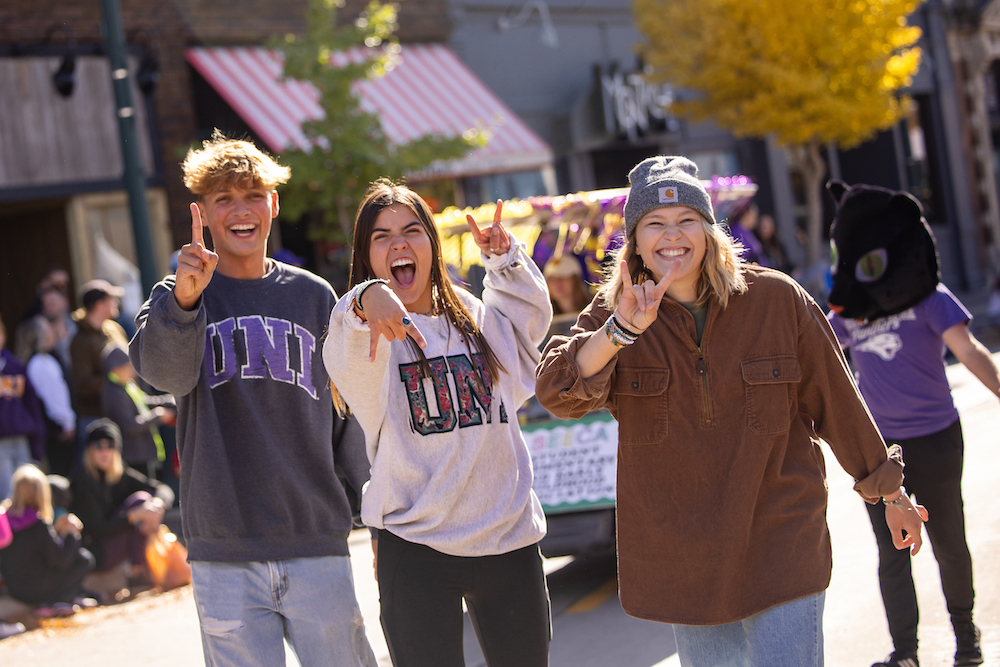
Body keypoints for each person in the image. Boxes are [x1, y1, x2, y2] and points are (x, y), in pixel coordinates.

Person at [535, 156, 928, 667]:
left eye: (686, 222)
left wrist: (890, 492)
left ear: (709, 231)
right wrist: (622, 332)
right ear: (634, 239)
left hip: (780, 540)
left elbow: (839, 401)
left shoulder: (777, 300)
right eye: (654, 223)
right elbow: (557, 392)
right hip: (685, 559)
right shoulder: (614, 313)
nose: (671, 235)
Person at [129, 132, 376, 667]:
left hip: (315, 537)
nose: (241, 211)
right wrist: (187, 300)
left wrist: (380, 517)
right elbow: (160, 375)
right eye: (224, 198)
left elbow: (345, 418)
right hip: (225, 547)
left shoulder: (314, 296)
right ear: (203, 212)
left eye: (253, 195)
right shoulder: (176, 297)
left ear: (274, 203)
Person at [322, 180, 552, 667]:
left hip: (507, 537)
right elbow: (342, 340)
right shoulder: (370, 341)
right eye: (381, 237)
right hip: (416, 547)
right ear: (366, 255)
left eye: (411, 230)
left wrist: (506, 261)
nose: (399, 244)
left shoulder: (475, 318)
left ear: (432, 243)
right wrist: (366, 297)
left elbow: (530, 337)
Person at [825, 180, 988, 667]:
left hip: (937, 438)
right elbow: (820, 359)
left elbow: (970, 352)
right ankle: (906, 654)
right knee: (892, 552)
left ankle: (967, 640)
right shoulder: (851, 314)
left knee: (948, 542)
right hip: (877, 450)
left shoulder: (930, 298)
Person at [70, 420, 173, 588]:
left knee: (146, 501)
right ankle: (138, 572)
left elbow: (160, 487)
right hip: (96, 552)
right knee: (140, 502)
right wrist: (133, 517)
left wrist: (159, 505)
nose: (104, 452)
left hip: (115, 545)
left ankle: (139, 570)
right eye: (98, 446)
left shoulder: (119, 473)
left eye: (110, 446)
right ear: (89, 450)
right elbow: (97, 528)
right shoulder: (82, 479)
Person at [0, 463, 94, 614]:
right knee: (83, 559)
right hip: (35, 589)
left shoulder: (4, 518)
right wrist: (71, 534)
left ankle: (63, 599)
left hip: (13, 588)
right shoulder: (37, 523)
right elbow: (61, 560)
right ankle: (57, 602)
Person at [100, 344, 175, 480]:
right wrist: (157, 416)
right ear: (116, 368)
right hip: (134, 456)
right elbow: (129, 425)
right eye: (128, 367)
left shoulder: (128, 385)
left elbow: (145, 401)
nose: (133, 372)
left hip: (145, 452)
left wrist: (171, 400)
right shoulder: (114, 393)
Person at [14, 315, 77, 476]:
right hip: (55, 432)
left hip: (50, 430)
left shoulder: (35, 361)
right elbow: (54, 397)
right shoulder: (40, 363)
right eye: (46, 329)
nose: (51, 331)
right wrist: (67, 423)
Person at [69, 279, 129, 439]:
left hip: (125, 412)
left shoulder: (114, 329)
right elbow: (83, 385)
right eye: (111, 299)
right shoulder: (80, 341)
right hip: (98, 419)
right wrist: (115, 378)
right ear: (99, 305)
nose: (116, 303)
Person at [0, 315, 45, 501]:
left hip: (21, 436)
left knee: (28, 490)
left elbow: (31, 404)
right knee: (6, 495)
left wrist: (38, 444)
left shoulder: (16, 366)